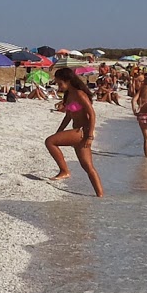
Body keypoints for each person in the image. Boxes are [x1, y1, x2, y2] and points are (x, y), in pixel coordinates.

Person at [45, 66, 103, 197]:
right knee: (88, 167)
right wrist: (59, 131)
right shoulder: (68, 95)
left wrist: (90, 136)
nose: (58, 86)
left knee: (49, 142)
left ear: (68, 81)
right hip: (77, 131)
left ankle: (64, 170)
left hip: (82, 132)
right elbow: (68, 116)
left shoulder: (79, 94)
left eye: (60, 83)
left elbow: (92, 115)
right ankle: (100, 196)